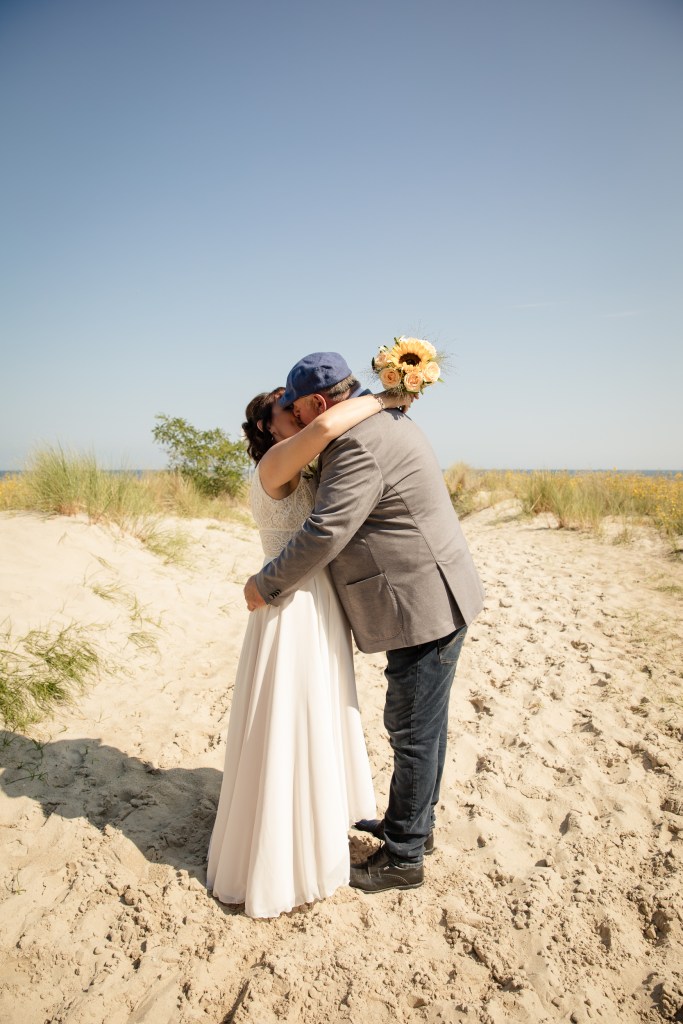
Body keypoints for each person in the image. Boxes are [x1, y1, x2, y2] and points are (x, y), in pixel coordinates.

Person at [244, 352, 485, 894]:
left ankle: (404, 856)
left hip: (423, 601)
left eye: (295, 407)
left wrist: (266, 584)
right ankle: (413, 829)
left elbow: (327, 530)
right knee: (423, 725)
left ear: (317, 403)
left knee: (412, 729)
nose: (295, 418)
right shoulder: (380, 420)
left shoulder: (355, 443)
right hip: (432, 591)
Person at [206, 383, 411, 918]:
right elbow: (323, 426)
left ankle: (311, 830)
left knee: (312, 718)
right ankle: (280, 856)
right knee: (287, 722)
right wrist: (389, 398)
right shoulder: (275, 464)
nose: (298, 410)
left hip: (315, 603)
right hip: (289, 605)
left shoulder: (302, 465)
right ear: (268, 427)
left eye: (298, 404)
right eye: (286, 408)